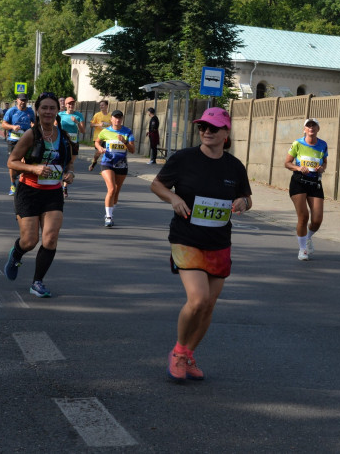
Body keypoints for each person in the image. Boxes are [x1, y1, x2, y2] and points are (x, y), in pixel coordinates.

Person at [150, 107, 252, 382]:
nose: (206, 132)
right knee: (198, 299)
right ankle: (178, 352)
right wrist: (172, 198)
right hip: (186, 238)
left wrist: (243, 202)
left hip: (219, 241)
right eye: (203, 127)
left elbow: (246, 197)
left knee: (209, 305)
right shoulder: (184, 159)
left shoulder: (234, 166)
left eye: (213, 128)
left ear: (226, 133)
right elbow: (157, 185)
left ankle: (189, 353)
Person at [3, 93, 76, 298]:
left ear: (56, 111)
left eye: (52, 108)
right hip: (29, 191)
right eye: (44, 108)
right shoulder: (31, 135)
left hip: (52, 192)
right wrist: (34, 169)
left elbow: (69, 163)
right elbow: (12, 162)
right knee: (30, 241)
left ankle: (37, 282)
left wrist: (70, 174)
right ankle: (17, 253)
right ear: (37, 110)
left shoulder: (63, 137)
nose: (48, 112)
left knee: (51, 238)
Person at [284, 118, 328, 261]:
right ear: (304, 129)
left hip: (315, 182)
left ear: (317, 129)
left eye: (313, 125)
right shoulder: (298, 143)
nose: (311, 128)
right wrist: (298, 167)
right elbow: (287, 163)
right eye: (308, 126)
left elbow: (324, 163)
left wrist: (322, 168)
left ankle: (307, 238)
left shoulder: (323, 145)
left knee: (317, 219)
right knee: (303, 216)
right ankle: (303, 249)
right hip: (299, 182)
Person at [95, 109, 134, 227]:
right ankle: (108, 216)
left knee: (116, 191)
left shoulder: (127, 132)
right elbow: (97, 142)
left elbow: (132, 150)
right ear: (111, 119)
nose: (117, 120)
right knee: (111, 189)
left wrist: (125, 142)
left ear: (122, 119)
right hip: (107, 162)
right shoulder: (105, 131)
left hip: (121, 164)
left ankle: (110, 211)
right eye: (115, 118)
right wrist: (100, 148)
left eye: (119, 118)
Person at [1, 94, 36, 195]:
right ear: (17, 100)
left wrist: (33, 126)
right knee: (12, 164)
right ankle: (13, 184)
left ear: (27, 101)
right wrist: (12, 127)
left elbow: (34, 123)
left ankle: (22, 184)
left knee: (24, 163)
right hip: (13, 140)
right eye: (21, 100)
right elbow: (3, 124)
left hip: (26, 141)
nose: (23, 102)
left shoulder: (30, 111)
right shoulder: (11, 111)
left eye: (25, 100)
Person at [57, 96, 85, 198]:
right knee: (60, 163)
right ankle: (58, 186)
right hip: (62, 143)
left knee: (70, 163)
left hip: (73, 143)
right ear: (65, 105)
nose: (71, 106)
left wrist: (77, 122)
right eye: (69, 104)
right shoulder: (60, 115)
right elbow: (55, 126)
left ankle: (65, 187)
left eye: (72, 104)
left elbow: (83, 131)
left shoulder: (78, 115)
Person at [87, 100, 112, 171]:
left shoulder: (110, 116)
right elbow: (91, 125)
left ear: (107, 106)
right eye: (100, 105)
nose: (101, 106)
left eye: (103, 105)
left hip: (107, 137)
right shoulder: (97, 115)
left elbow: (113, 125)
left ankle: (105, 169)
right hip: (98, 137)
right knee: (98, 153)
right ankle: (94, 162)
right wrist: (98, 124)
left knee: (107, 152)